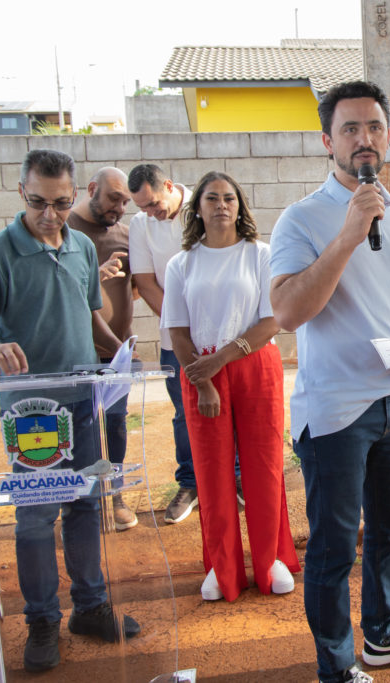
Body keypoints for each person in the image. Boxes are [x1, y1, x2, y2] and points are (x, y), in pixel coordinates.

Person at [269, 80, 390, 683]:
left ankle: (383, 632)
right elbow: (289, 311)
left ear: (388, 135)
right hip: (335, 414)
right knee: (331, 548)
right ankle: (337, 666)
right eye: (350, 129)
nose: (364, 139)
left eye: (373, 126)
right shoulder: (301, 219)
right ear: (328, 141)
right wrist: (348, 235)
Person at [0, 149, 139, 673]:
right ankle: (41, 620)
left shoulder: (79, 246)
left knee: (84, 504)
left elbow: (88, 312)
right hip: (31, 414)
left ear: (73, 195)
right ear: (20, 193)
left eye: (59, 203)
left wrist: (117, 353)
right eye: (37, 203)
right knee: (35, 520)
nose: (49, 215)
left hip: (83, 403)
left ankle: (90, 606)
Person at [161, 171, 300, 602]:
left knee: (262, 465)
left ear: (240, 207)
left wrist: (222, 360)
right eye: (212, 198)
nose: (222, 205)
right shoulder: (181, 263)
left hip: (253, 364)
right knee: (212, 472)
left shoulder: (260, 254)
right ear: (197, 208)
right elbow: (177, 331)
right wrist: (204, 381)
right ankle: (221, 568)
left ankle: (271, 559)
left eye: (229, 198)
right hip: (199, 372)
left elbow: (272, 320)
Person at [129, 164, 243, 523]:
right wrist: (182, 324)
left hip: (226, 335)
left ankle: (237, 479)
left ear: (168, 186)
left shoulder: (206, 204)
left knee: (234, 407)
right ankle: (191, 483)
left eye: (153, 203)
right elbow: (146, 282)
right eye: (143, 208)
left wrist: (211, 324)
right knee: (186, 412)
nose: (151, 212)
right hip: (176, 339)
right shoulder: (140, 225)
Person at [68, 166, 137, 529]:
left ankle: (115, 497)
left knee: (115, 425)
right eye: (114, 198)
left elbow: (136, 286)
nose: (120, 207)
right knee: (80, 427)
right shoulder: (64, 231)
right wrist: (97, 275)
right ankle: (79, 504)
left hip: (116, 354)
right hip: (76, 353)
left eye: (125, 201)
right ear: (92, 189)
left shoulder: (126, 234)